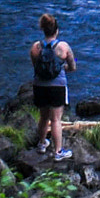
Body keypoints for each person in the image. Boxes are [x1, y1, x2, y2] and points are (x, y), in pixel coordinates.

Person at [28, 12, 77, 160]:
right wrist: (63, 69)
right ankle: (58, 152)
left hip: (39, 86)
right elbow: (73, 66)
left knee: (43, 117)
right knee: (56, 119)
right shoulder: (63, 47)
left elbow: (35, 67)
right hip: (57, 86)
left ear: (43, 30)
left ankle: (42, 144)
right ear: (56, 30)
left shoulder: (35, 47)